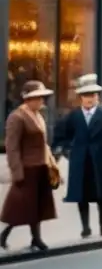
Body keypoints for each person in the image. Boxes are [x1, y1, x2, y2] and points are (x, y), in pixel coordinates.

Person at [53, 74, 102, 239]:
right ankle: (85, 227)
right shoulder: (73, 116)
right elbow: (63, 135)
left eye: (93, 95)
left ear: (98, 96)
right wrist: (68, 150)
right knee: (81, 194)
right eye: (86, 95)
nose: (90, 99)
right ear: (80, 98)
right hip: (80, 159)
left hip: (100, 157)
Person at [0, 81, 59, 251]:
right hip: (27, 169)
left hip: (40, 167)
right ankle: (4, 234)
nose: (42, 101)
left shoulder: (38, 115)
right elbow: (12, 147)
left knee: (37, 206)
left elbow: (44, 144)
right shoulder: (17, 117)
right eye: (38, 98)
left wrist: (51, 164)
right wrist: (17, 171)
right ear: (28, 98)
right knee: (21, 206)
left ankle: (36, 238)